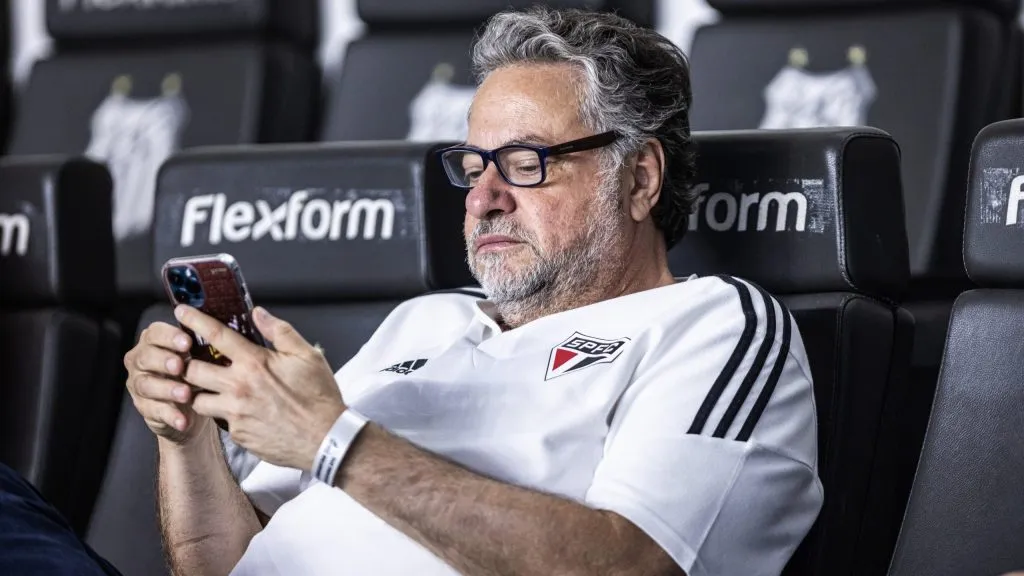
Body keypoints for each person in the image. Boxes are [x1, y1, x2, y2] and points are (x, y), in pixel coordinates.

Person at [0, 7, 822, 576]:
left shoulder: (713, 325)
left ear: (638, 178)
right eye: (473, 166)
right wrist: (184, 437)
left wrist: (333, 441)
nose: (485, 196)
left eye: (526, 163)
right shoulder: (422, 322)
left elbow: (633, 565)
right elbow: (221, 560)